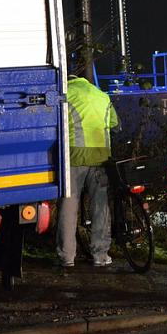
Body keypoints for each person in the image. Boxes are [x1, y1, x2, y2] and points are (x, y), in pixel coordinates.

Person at [56, 75, 120, 268]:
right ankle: (100, 255)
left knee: (68, 206)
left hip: (74, 158)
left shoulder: (65, 94)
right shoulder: (103, 96)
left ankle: (67, 257)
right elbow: (115, 125)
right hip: (101, 158)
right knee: (100, 207)